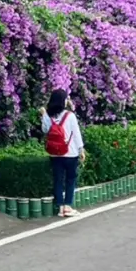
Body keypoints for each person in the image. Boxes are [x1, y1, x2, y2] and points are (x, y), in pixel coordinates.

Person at [41, 89, 86, 218]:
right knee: (70, 180)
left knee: (58, 180)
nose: (67, 101)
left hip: (55, 154)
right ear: (62, 101)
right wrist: (81, 149)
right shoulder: (70, 116)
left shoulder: (49, 116)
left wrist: (44, 115)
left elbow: (45, 130)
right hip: (70, 153)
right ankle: (68, 207)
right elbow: (76, 134)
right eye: (66, 98)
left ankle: (60, 208)